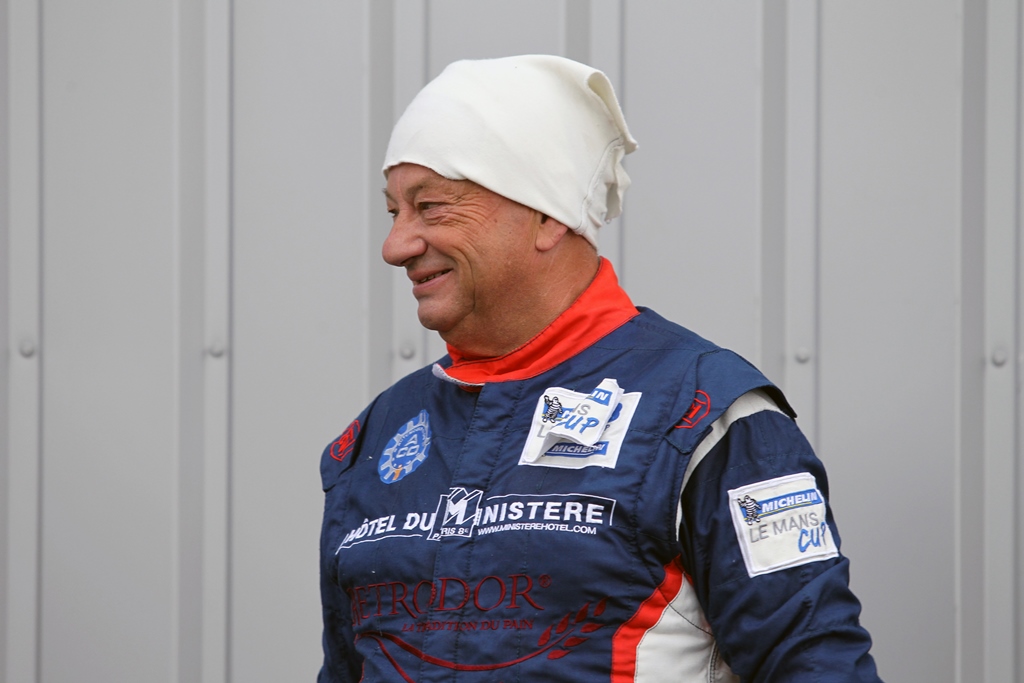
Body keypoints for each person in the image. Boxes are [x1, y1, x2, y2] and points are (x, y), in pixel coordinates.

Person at [319, 54, 882, 682]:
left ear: (546, 216)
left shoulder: (705, 413)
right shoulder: (380, 433)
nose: (395, 245)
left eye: (431, 207)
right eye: (393, 212)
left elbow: (816, 664)